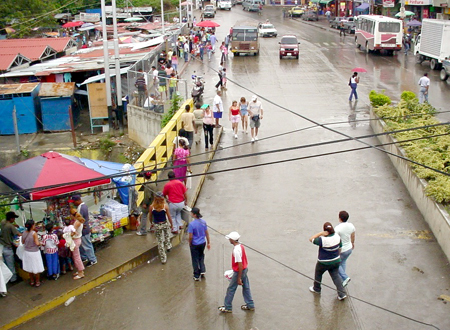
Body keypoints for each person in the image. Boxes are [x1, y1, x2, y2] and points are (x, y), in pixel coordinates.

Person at [309, 222, 347, 300]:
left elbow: (311, 239)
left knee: (318, 273)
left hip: (323, 262)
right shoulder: (337, 236)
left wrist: (320, 233)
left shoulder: (323, 239)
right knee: (336, 277)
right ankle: (342, 294)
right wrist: (337, 256)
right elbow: (340, 247)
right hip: (336, 261)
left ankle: (316, 288)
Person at [218, 231, 255, 313]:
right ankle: (250, 305)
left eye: (230, 239)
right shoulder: (241, 246)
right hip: (245, 270)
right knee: (246, 287)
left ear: (233, 240)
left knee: (231, 289)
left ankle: (227, 307)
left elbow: (240, 265)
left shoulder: (236, 250)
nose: (229, 240)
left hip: (239, 271)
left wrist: (238, 278)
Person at [70, 195, 97, 267]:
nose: (74, 204)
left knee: (87, 245)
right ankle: (84, 257)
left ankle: (92, 260)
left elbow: (80, 220)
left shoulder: (81, 208)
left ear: (78, 200)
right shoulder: (83, 206)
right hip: (84, 229)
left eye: (74, 202)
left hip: (84, 230)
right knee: (83, 245)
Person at [149, 192, 173, 264]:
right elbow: (169, 216)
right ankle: (168, 245)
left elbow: (150, 216)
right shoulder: (165, 206)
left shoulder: (152, 207)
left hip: (157, 225)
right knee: (167, 234)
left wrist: (151, 223)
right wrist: (171, 224)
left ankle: (163, 258)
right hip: (164, 223)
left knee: (160, 241)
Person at [188, 208, 210, 281]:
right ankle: (203, 270)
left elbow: (190, 236)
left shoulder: (191, 224)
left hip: (195, 244)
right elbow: (206, 233)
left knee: (195, 259)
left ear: (194, 215)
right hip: (202, 242)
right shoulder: (203, 222)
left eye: (191, 213)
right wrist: (208, 242)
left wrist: (190, 243)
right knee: (201, 256)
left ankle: (196, 275)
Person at [334, 211, 355, 287]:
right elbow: (353, 235)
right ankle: (343, 279)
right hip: (349, 248)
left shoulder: (337, 228)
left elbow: (335, 239)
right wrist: (352, 243)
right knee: (343, 262)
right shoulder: (351, 225)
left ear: (340, 218)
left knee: (336, 264)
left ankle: (345, 277)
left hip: (342, 250)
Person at [21, 220, 44, 287]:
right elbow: (37, 243)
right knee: (36, 267)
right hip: (34, 252)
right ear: (32, 226)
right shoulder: (34, 233)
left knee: (29, 267)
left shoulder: (24, 233)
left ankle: (32, 281)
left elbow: (22, 242)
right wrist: (41, 243)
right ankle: (37, 281)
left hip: (27, 252)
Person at [0, 211, 21, 283]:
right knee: (11, 264)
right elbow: (18, 234)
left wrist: (14, 226)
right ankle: (13, 279)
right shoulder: (10, 226)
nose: (14, 220)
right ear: (11, 218)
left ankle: (8, 278)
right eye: (14, 218)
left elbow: (8, 225)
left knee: (6, 264)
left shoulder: (3, 222)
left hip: (2, 246)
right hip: (8, 247)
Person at [137, 171, 157, 236]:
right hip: (154, 202)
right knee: (153, 216)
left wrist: (145, 203)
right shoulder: (153, 183)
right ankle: (153, 228)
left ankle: (143, 230)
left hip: (149, 203)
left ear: (145, 177)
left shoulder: (147, 185)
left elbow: (147, 196)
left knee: (144, 216)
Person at [70, 210, 85, 280]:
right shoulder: (79, 221)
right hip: (77, 239)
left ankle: (80, 272)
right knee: (76, 256)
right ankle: (79, 270)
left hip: (75, 240)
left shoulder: (77, 223)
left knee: (77, 257)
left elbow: (73, 232)